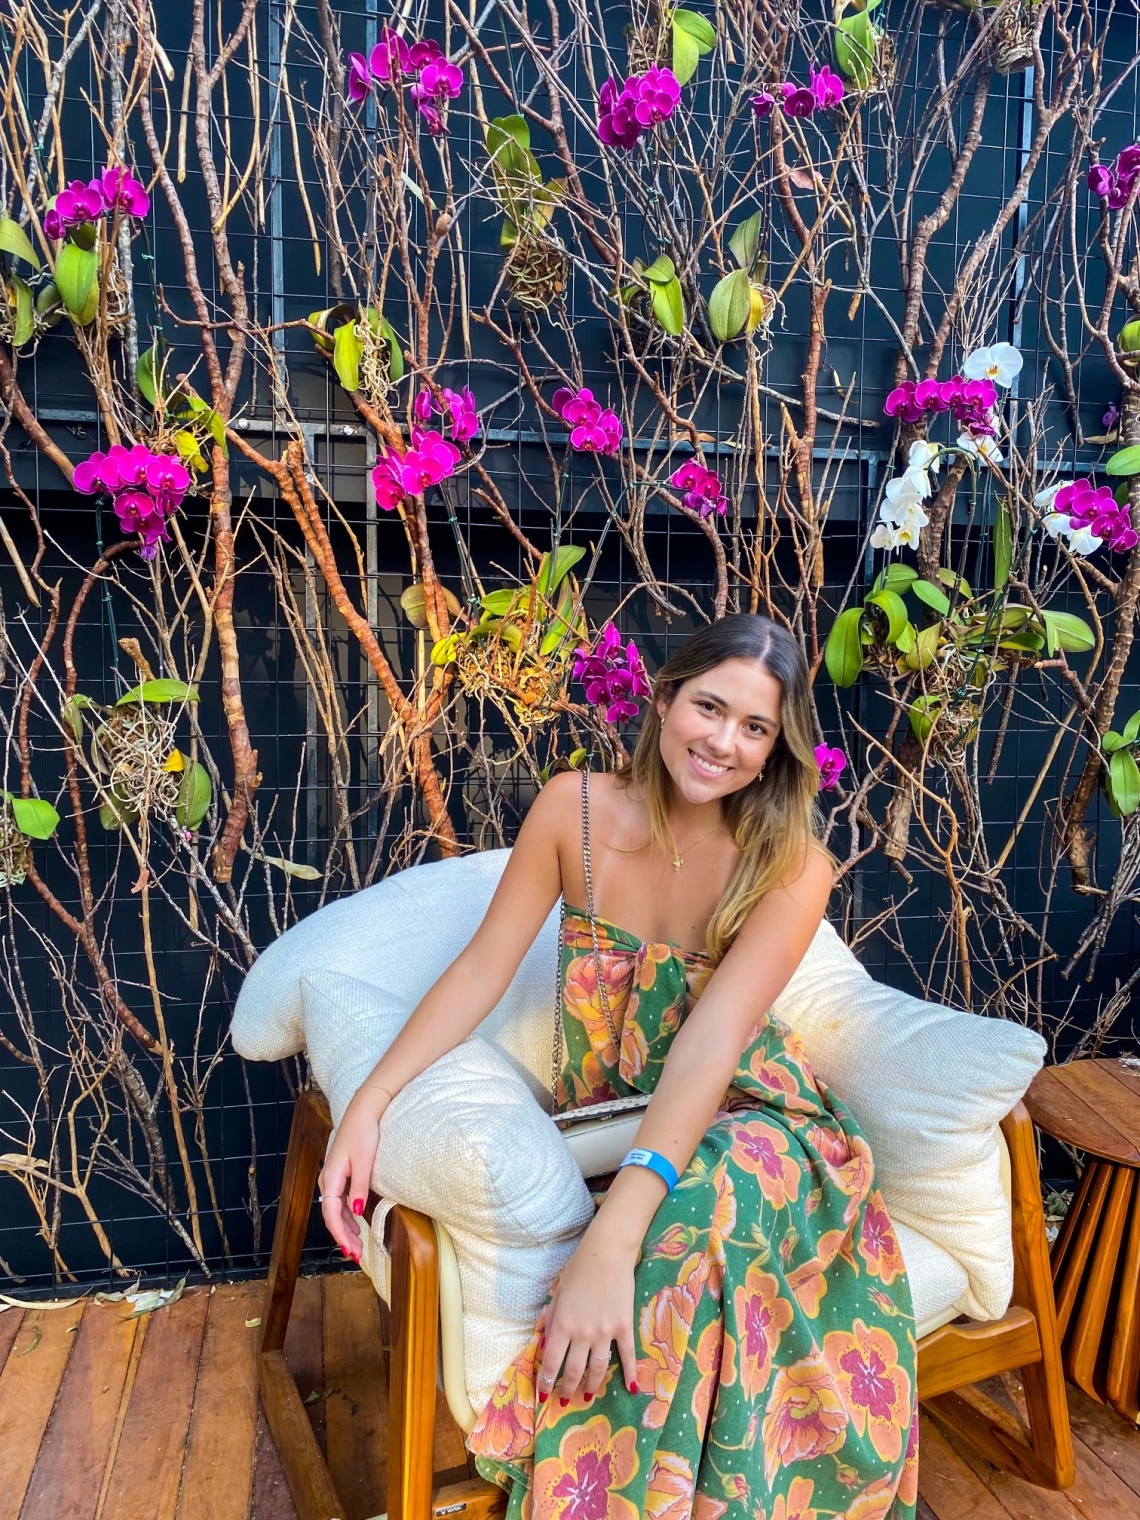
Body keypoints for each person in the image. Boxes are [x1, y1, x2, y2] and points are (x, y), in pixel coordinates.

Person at [319, 613, 918, 1520]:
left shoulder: (795, 866)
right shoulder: (578, 810)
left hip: (762, 1125)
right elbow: (483, 968)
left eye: (755, 728)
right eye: (709, 707)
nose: (723, 741)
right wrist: (370, 1101)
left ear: (777, 750)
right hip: (619, 1122)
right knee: (685, 1213)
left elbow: (715, 1044)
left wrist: (611, 1237)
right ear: (666, 696)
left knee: (702, 1205)